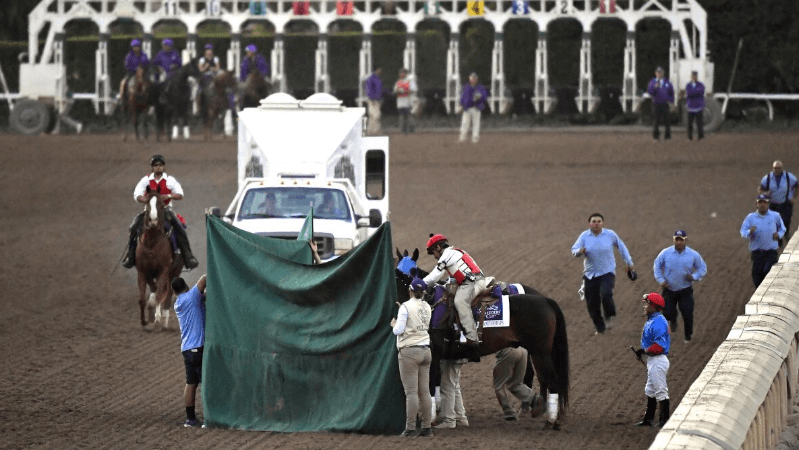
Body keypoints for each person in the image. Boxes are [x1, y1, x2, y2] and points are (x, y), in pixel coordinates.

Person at [122, 155, 199, 270]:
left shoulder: (170, 180)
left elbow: (180, 194)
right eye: (155, 165)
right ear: (152, 167)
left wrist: (168, 196)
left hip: (165, 210)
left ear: (164, 167)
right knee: (133, 227)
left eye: (160, 165)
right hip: (149, 210)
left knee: (179, 228)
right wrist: (146, 199)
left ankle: (188, 257)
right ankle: (130, 257)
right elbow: (137, 194)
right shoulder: (146, 180)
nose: (158, 167)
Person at [571, 213, 635, 335]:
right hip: (590, 274)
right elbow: (574, 250)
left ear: (602, 223)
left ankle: (608, 315)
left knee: (606, 293)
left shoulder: (610, 235)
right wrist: (579, 251)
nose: (596, 224)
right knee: (592, 303)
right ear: (590, 224)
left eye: (599, 221)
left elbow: (622, 247)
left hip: (607, 272)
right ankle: (600, 328)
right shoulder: (584, 236)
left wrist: (629, 262)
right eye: (594, 221)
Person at [422, 234, 486, 346]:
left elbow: (434, 277)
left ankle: (472, 337)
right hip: (474, 280)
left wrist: (419, 283)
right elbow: (456, 275)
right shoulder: (456, 251)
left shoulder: (446, 256)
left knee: (459, 301)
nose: (435, 256)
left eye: (434, 252)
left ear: (438, 247)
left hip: (472, 283)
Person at [391, 278, 434, 437]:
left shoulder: (405, 307)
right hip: (425, 350)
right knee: (424, 391)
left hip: (409, 351)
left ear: (410, 290)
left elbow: (398, 330)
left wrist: (394, 324)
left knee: (411, 393)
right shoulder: (427, 307)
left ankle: (410, 428)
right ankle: (427, 427)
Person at [653, 230, 708, 344]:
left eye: (681, 240)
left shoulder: (693, 254)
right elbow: (657, 266)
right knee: (667, 312)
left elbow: (702, 268)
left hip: (685, 290)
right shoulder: (665, 253)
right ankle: (673, 319)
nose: (679, 242)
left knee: (687, 313)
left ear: (685, 240)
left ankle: (688, 335)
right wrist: (661, 280)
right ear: (673, 240)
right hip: (669, 289)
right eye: (677, 239)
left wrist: (694, 276)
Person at [172, 274, 207, 428]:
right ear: (186, 286)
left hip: (186, 350)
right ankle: (209, 418)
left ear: (174, 292)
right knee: (206, 383)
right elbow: (204, 278)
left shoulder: (178, 303)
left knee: (191, 383)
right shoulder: (192, 296)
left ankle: (191, 419)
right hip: (199, 348)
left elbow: (201, 297)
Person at [633, 292, 671, 428]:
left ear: (654, 307)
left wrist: (644, 351)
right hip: (653, 360)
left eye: (647, 304)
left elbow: (659, 346)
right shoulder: (653, 320)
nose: (645, 306)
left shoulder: (658, 322)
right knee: (650, 390)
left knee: (661, 391)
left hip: (657, 361)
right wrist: (643, 352)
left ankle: (664, 421)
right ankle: (648, 419)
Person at [741, 194, 786, 288]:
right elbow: (743, 232)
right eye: (760, 202)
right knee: (757, 276)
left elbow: (782, 229)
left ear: (768, 204)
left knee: (768, 272)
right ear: (757, 204)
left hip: (771, 252)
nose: (762, 204)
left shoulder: (775, 216)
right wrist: (749, 232)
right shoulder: (750, 217)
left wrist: (778, 235)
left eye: (764, 202)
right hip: (757, 253)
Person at [758, 160, 798, 245]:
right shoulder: (768, 178)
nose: (777, 170)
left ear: (782, 168)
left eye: (779, 168)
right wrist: (764, 194)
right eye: (775, 168)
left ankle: (786, 233)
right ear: (773, 168)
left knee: (786, 220)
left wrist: (794, 198)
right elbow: (761, 189)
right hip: (773, 205)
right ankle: (778, 239)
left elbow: (797, 186)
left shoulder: (789, 177)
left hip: (786, 203)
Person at [493, 347, 534, 421]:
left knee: (499, 385)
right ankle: (534, 398)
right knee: (516, 384)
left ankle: (509, 412)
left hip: (507, 351)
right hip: (523, 351)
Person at [459, 73, 488, 143]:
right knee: (464, 123)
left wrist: (480, 97)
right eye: (472, 78)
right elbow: (462, 97)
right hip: (467, 108)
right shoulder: (466, 87)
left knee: (476, 123)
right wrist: (461, 105)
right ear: (469, 79)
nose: (473, 79)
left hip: (476, 108)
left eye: (474, 78)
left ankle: (475, 138)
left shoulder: (480, 88)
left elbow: (484, 96)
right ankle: (462, 137)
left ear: (477, 79)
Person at [647, 66, 674, 141]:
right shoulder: (653, 82)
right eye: (657, 72)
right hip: (656, 103)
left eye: (660, 72)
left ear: (663, 73)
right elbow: (650, 91)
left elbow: (671, 92)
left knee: (667, 120)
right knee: (656, 120)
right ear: (655, 73)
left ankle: (667, 136)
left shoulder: (667, 82)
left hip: (665, 103)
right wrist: (655, 87)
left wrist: (671, 102)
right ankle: (656, 136)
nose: (659, 74)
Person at [393, 68, 416, 134]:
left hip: (408, 101)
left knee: (409, 116)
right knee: (402, 116)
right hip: (400, 102)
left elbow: (413, 90)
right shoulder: (398, 82)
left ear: (406, 74)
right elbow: (395, 91)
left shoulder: (410, 82)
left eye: (403, 73)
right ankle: (403, 130)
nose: (402, 74)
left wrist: (404, 91)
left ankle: (411, 129)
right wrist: (399, 91)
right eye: (401, 73)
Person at [685, 70, 705, 141]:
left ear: (697, 77)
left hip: (698, 106)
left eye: (695, 76)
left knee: (699, 123)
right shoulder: (688, 85)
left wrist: (693, 92)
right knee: (689, 123)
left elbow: (701, 92)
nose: (693, 77)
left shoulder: (701, 85)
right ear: (691, 76)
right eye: (692, 76)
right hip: (690, 107)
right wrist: (695, 92)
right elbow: (688, 93)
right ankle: (689, 137)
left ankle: (701, 136)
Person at [365, 66, 383, 134]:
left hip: (377, 99)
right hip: (373, 100)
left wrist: (380, 99)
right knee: (375, 115)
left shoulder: (378, 78)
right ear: (376, 70)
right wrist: (371, 99)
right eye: (379, 70)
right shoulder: (371, 79)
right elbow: (369, 89)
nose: (380, 71)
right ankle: (373, 130)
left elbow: (380, 89)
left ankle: (372, 129)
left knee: (375, 115)